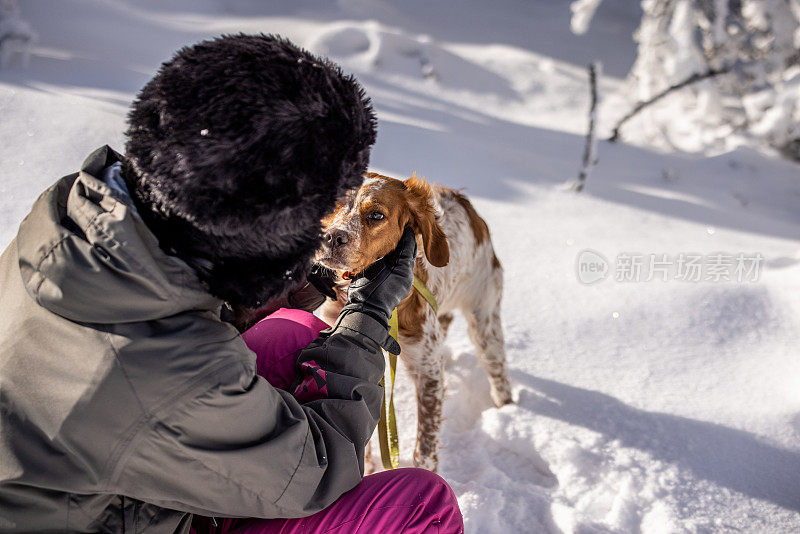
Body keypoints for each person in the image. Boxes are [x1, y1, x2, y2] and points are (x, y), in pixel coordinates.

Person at [0, 34, 463, 533]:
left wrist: (290, 277)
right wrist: (367, 319)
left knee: (292, 333)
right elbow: (319, 470)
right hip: (127, 512)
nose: (321, 233)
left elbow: (178, 301)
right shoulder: (169, 372)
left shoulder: (77, 208)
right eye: (316, 213)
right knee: (422, 500)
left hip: (104, 480)